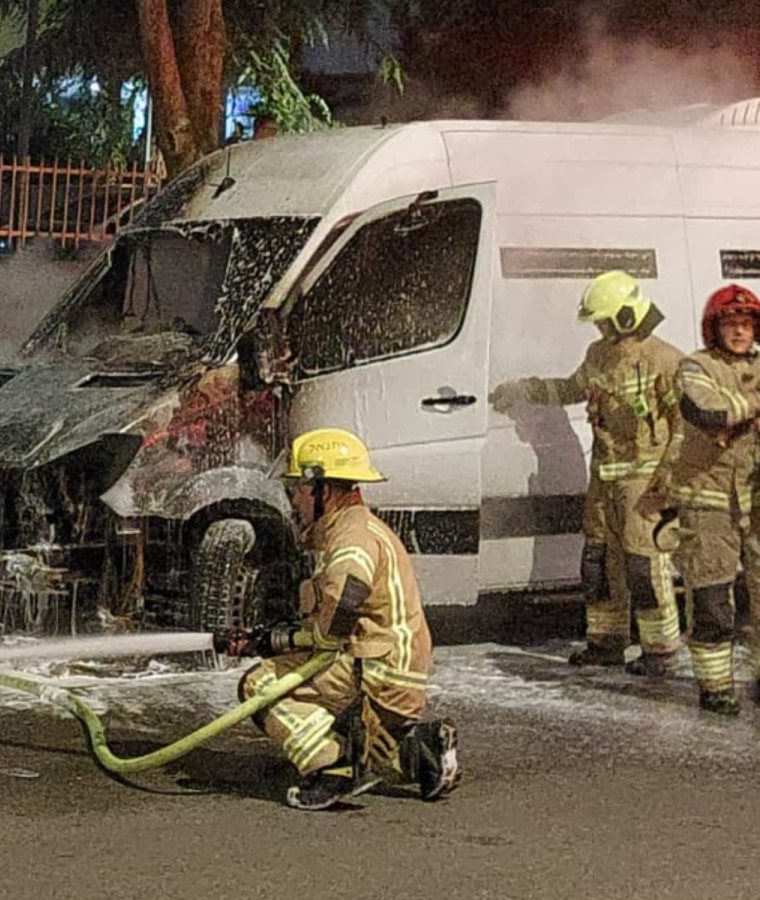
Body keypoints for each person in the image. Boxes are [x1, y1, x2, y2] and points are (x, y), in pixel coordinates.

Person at [226, 427, 459, 811]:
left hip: (378, 673)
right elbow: (334, 618)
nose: (294, 499)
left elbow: (347, 597)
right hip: (395, 672)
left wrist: (304, 641)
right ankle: (425, 754)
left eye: (299, 489)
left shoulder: (351, 536)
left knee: (259, 686)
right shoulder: (358, 527)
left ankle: (332, 767)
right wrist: (268, 639)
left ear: (323, 489)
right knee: (360, 731)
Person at [489, 271, 683, 675]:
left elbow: (685, 426)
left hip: (643, 485)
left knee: (644, 567)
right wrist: (527, 390)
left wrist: (667, 478)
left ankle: (660, 651)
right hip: (604, 482)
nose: (598, 327)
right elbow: (572, 389)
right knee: (598, 563)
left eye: (603, 320)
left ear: (626, 316)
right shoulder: (598, 355)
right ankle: (606, 642)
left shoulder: (665, 360)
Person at [642, 284, 760, 715]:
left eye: (746, 324)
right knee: (711, 598)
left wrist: (740, 408)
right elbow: (706, 411)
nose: (740, 332)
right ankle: (715, 688)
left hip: (756, 498)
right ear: (716, 329)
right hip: (709, 503)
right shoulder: (695, 365)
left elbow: (729, 412)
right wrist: (754, 403)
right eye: (731, 324)